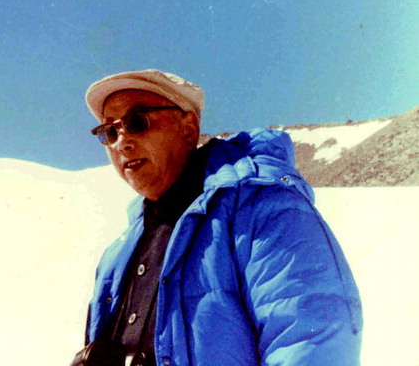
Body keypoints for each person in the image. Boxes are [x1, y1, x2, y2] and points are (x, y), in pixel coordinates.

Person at [73, 69, 362, 366]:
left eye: (137, 122)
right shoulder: (119, 252)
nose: (122, 142)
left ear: (188, 128)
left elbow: (308, 339)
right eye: (109, 131)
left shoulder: (260, 206)